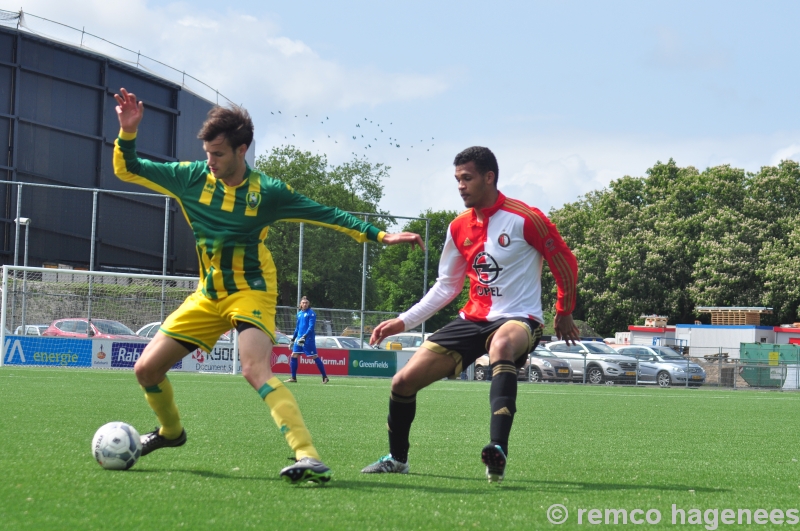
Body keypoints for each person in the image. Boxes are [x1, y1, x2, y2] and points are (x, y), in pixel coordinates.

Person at [112, 87, 423, 484]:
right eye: (207, 152)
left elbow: (323, 213)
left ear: (242, 150)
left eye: (218, 154)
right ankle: (171, 433)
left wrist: (378, 236)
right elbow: (128, 168)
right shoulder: (189, 178)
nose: (210, 161)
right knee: (146, 370)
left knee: (254, 368)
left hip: (252, 290)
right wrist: (128, 132)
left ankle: (307, 455)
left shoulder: (267, 192)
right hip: (208, 295)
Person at [361, 146, 580, 483]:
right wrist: (403, 322)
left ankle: (497, 449)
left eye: (467, 178)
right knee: (402, 382)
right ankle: (397, 458)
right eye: (457, 179)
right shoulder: (458, 227)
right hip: (472, 319)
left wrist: (563, 311)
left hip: (520, 318)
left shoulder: (526, 218)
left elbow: (565, 263)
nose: (460, 185)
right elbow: (446, 287)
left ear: (489, 177)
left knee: (502, 345)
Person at [285, 296, 328, 384]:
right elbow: (297, 328)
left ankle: (325, 377)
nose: (305, 304)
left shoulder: (311, 313)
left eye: (306, 303)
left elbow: (311, 327)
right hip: (299, 339)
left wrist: (304, 336)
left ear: (309, 304)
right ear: (300, 304)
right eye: (303, 303)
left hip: (308, 339)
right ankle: (293, 377)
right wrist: (293, 339)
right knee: (294, 355)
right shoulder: (299, 314)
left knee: (314, 356)